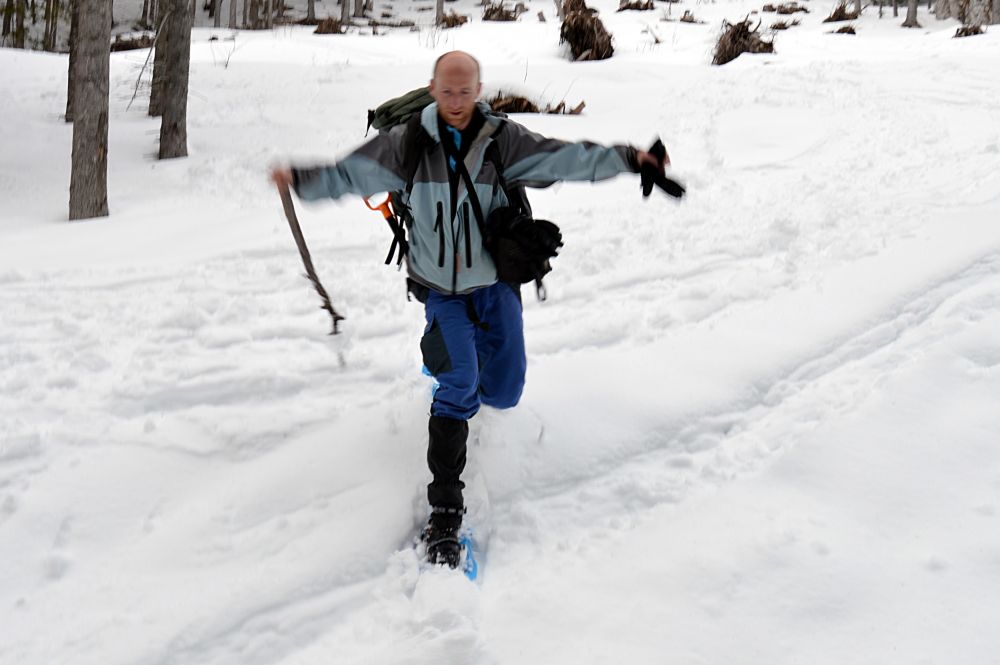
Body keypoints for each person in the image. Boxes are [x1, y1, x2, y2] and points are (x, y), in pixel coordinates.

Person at [271, 50, 675, 569]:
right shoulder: (408, 145)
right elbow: (352, 175)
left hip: (493, 283)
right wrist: (302, 180)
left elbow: (564, 158)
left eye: (466, 91)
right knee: (459, 383)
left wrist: (628, 158)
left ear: (479, 90)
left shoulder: (503, 142)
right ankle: (445, 514)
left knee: (504, 390)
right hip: (441, 289)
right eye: (448, 91)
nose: (457, 101)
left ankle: (450, 359)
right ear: (433, 88)